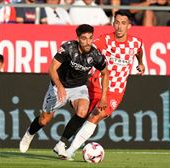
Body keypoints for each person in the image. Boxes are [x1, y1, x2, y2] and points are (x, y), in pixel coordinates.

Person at [54, 10, 145, 160]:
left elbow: (139, 51)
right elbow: (85, 48)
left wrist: (140, 63)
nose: (119, 27)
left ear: (129, 26)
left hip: (115, 90)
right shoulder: (105, 40)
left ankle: (69, 151)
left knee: (97, 115)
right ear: (113, 23)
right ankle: (61, 144)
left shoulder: (136, 42)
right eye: (117, 22)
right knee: (82, 115)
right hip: (96, 85)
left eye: (123, 23)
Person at [19, 24, 109, 153]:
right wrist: (60, 87)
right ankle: (29, 134)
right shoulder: (68, 48)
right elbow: (52, 68)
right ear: (78, 38)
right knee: (44, 120)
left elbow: (106, 73)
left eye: (90, 38)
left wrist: (104, 97)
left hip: (79, 87)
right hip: (58, 85)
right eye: (84, 38)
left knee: (83, 112)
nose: (88, 42)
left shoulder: (95, 55)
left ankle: (61, 144)